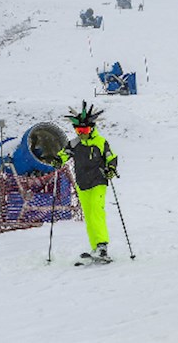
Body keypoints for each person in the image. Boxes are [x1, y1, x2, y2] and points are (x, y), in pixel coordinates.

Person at [56, 101, 119, 263]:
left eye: (84, 130)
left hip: (98, 181)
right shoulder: (75, 143)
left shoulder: (100, 142)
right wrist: (56, 161)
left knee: (97, 212)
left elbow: (111, 158)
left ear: (92, 128)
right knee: (89, 216)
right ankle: (95, 247)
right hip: (82, 184)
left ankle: (102, 246)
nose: (81, 133)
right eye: (78, 130)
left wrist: (111, 169)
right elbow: (63, 155)